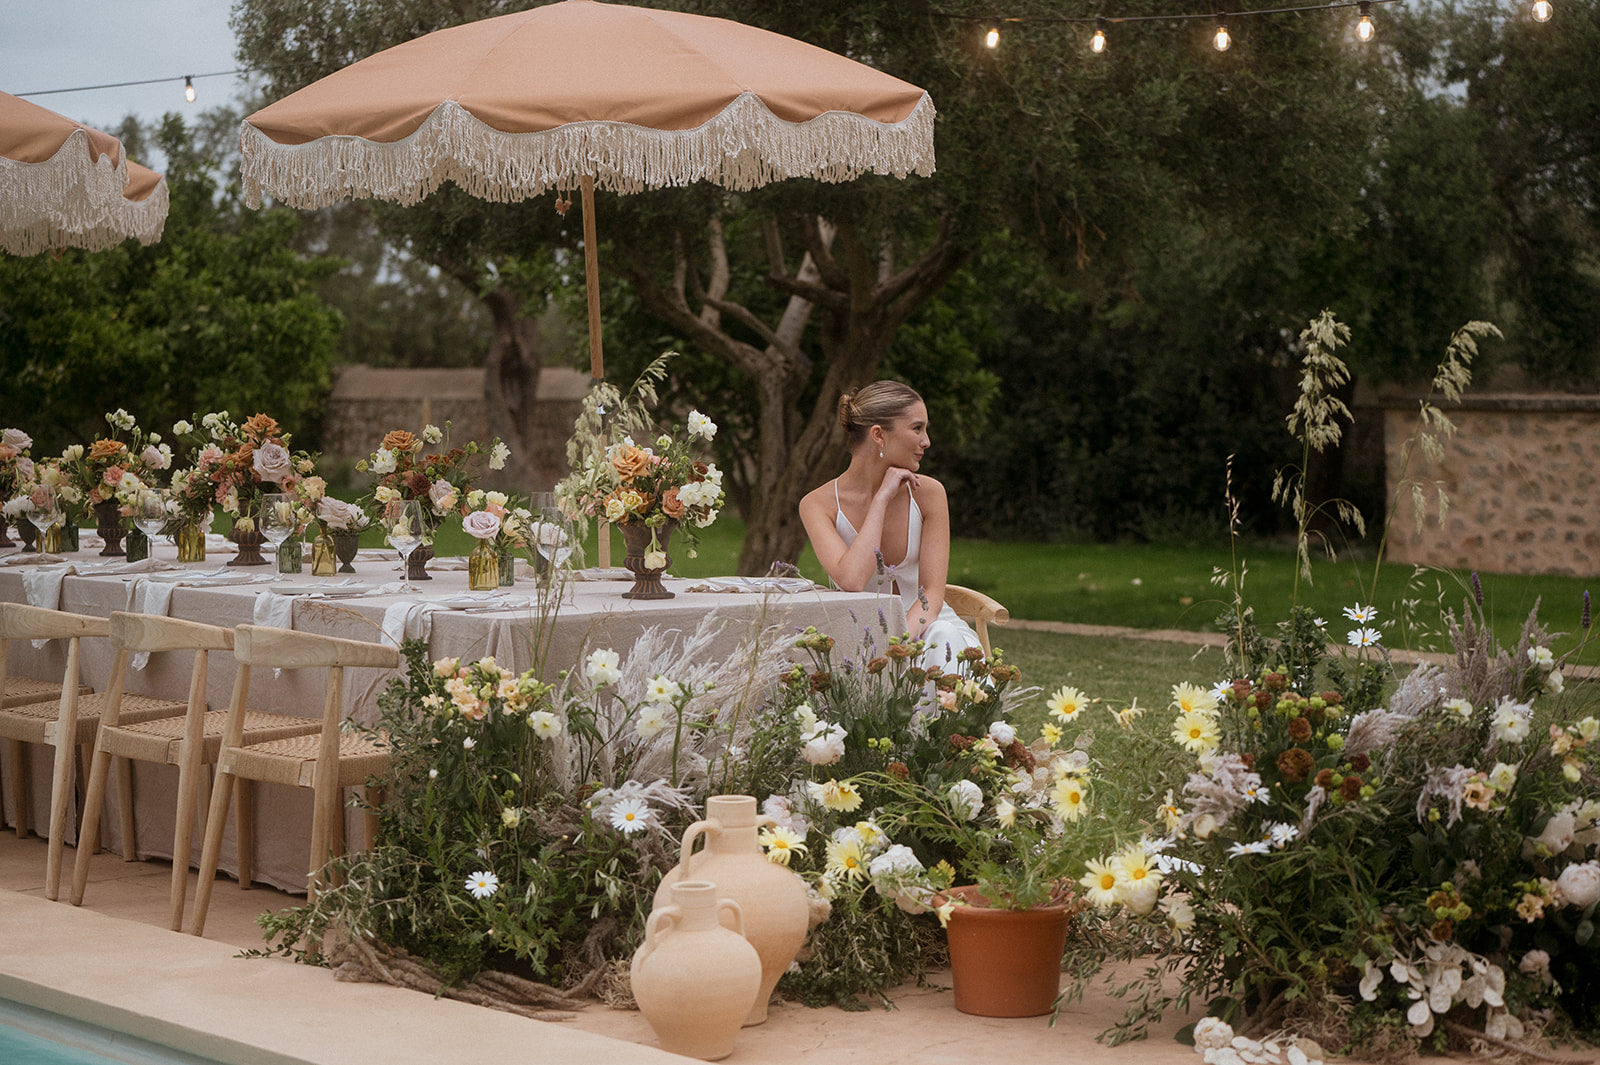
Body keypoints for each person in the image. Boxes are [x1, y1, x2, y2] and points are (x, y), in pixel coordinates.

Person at [799, 381, 983, 668]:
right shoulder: (817, 504)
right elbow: (852, 580)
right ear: (878, 435)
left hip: (929, 631)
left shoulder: (929, 494)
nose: (927, 441)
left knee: (944, 636)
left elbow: (931, 596)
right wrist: (881, 498)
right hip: (860, 645)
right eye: (917, 428)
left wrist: (895, 649)